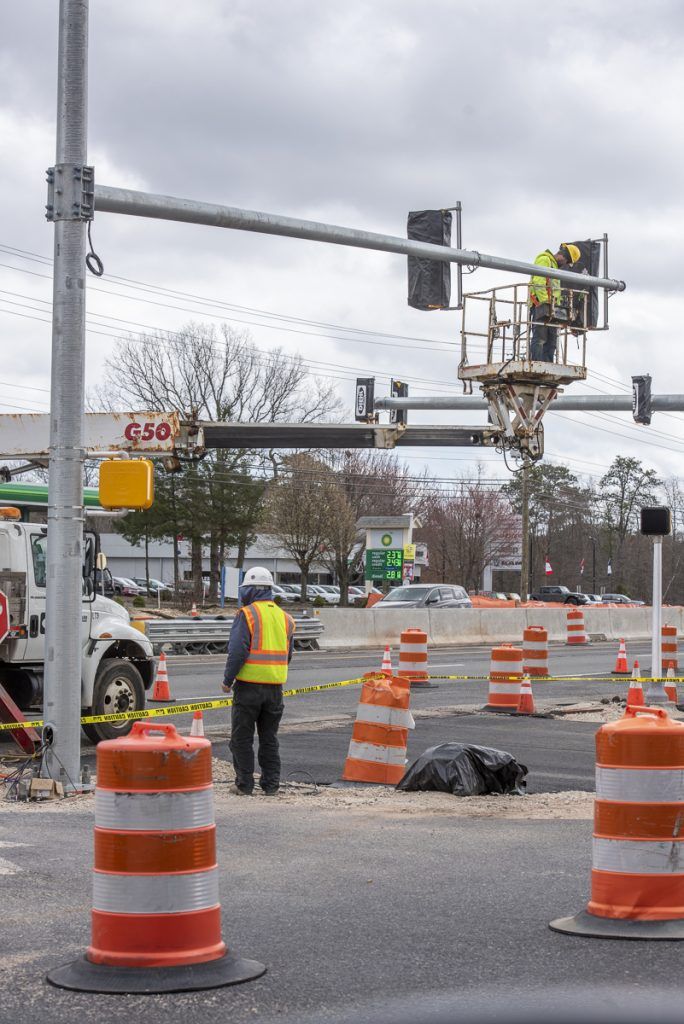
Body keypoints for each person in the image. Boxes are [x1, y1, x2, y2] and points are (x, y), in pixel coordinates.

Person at [222, 566, 295, 796]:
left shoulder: (247, 614)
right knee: (269, 739)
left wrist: (227, 680)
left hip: (248, 689)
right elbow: (288, 654)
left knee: (241, 739)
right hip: (275, 690)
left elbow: (237, 652)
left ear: (251, 590)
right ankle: (271, 785)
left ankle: (244, 784)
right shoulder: (286, 618)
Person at [529, 243, 580, 362]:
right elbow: (538, 282)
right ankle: (537, 363)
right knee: (540, 338)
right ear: (563, 256)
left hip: (551, 308)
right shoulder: (544, 259)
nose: (566, 265)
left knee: (552, 340)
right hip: (540, 306)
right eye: (567, 262)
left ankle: (547, 363)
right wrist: (545, 303)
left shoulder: (555, 267)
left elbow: (555, 290)